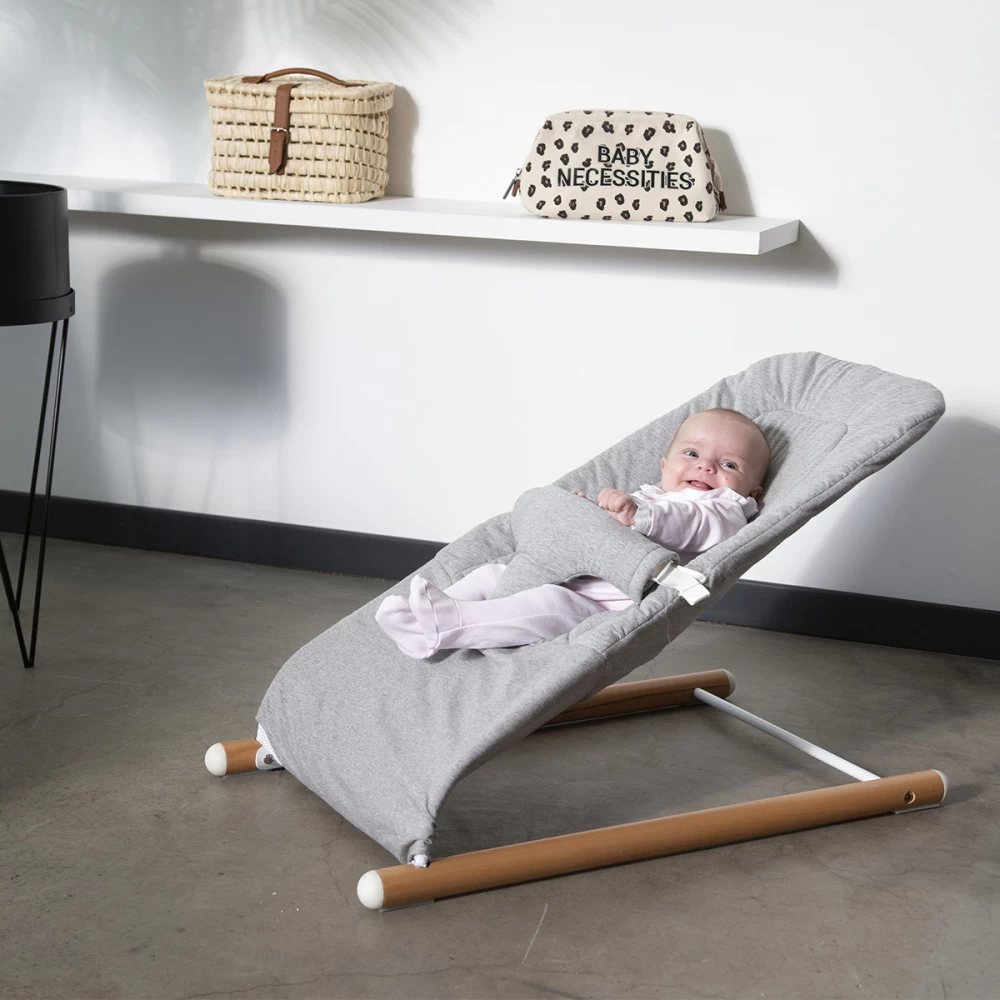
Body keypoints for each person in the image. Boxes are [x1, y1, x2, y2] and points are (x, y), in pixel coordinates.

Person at [376, 408, 770, 660]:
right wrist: (586, 514)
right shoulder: (648, 495)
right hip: (569, 572)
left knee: (544, 604)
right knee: (493, 574)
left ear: (751, 492)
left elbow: (690, 522)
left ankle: (451, 624)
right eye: (692, 454)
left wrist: (641, 516)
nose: (705, 467)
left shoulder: (724, 508)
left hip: (602, 605)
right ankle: (424, 620)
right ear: (664, 466)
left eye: (729, 464)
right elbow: (606, 529)